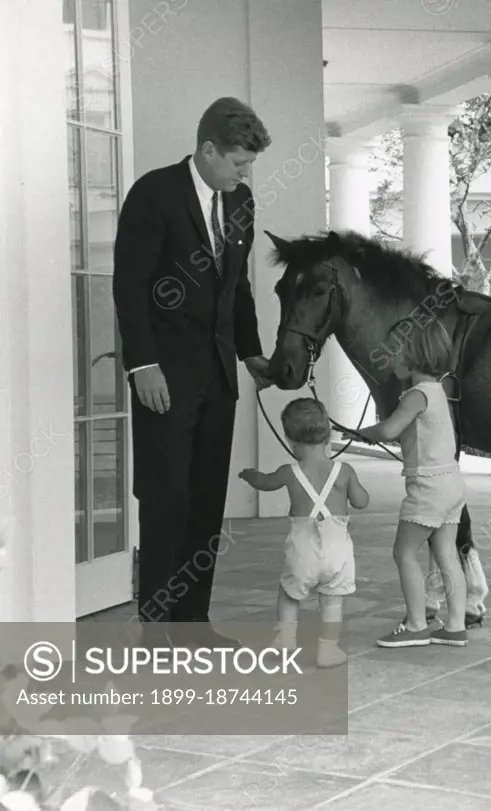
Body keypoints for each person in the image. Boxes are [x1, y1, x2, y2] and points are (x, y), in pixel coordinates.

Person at [113, 97, 274, 647]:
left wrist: (251, 353)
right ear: (208, 150)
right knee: (165, 499)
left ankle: (193, 624)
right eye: (239, 163)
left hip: (217, 377)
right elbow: (129, 289)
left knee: (207, 500)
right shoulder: (153, 194)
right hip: (162, 377)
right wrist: (143, 365)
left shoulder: (240, 202)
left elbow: (238, 285)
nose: (245, 173)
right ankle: (155, 631)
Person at [349, 316, 469, 648]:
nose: (389, 359)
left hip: (428, 487)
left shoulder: (416, 395)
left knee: (403, 552)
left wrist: (360, 433)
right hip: (451, 483)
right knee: (446, 552)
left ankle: (416, 625)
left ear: (413, 354)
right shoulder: (439, 391)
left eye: (394, 352)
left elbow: (388, 430)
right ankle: (456, 626)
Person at [238, 398, 368, 668]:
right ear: (328, 434)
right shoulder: (344, 471)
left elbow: (265, 482)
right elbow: (361, 501)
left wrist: (251, 475)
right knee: (332, 602)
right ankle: (328, 650)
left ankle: (286, 641)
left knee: (288, 594)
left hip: (302, 550)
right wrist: (354, 489)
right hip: (338, 552)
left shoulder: (289, 472)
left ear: (290, 439)